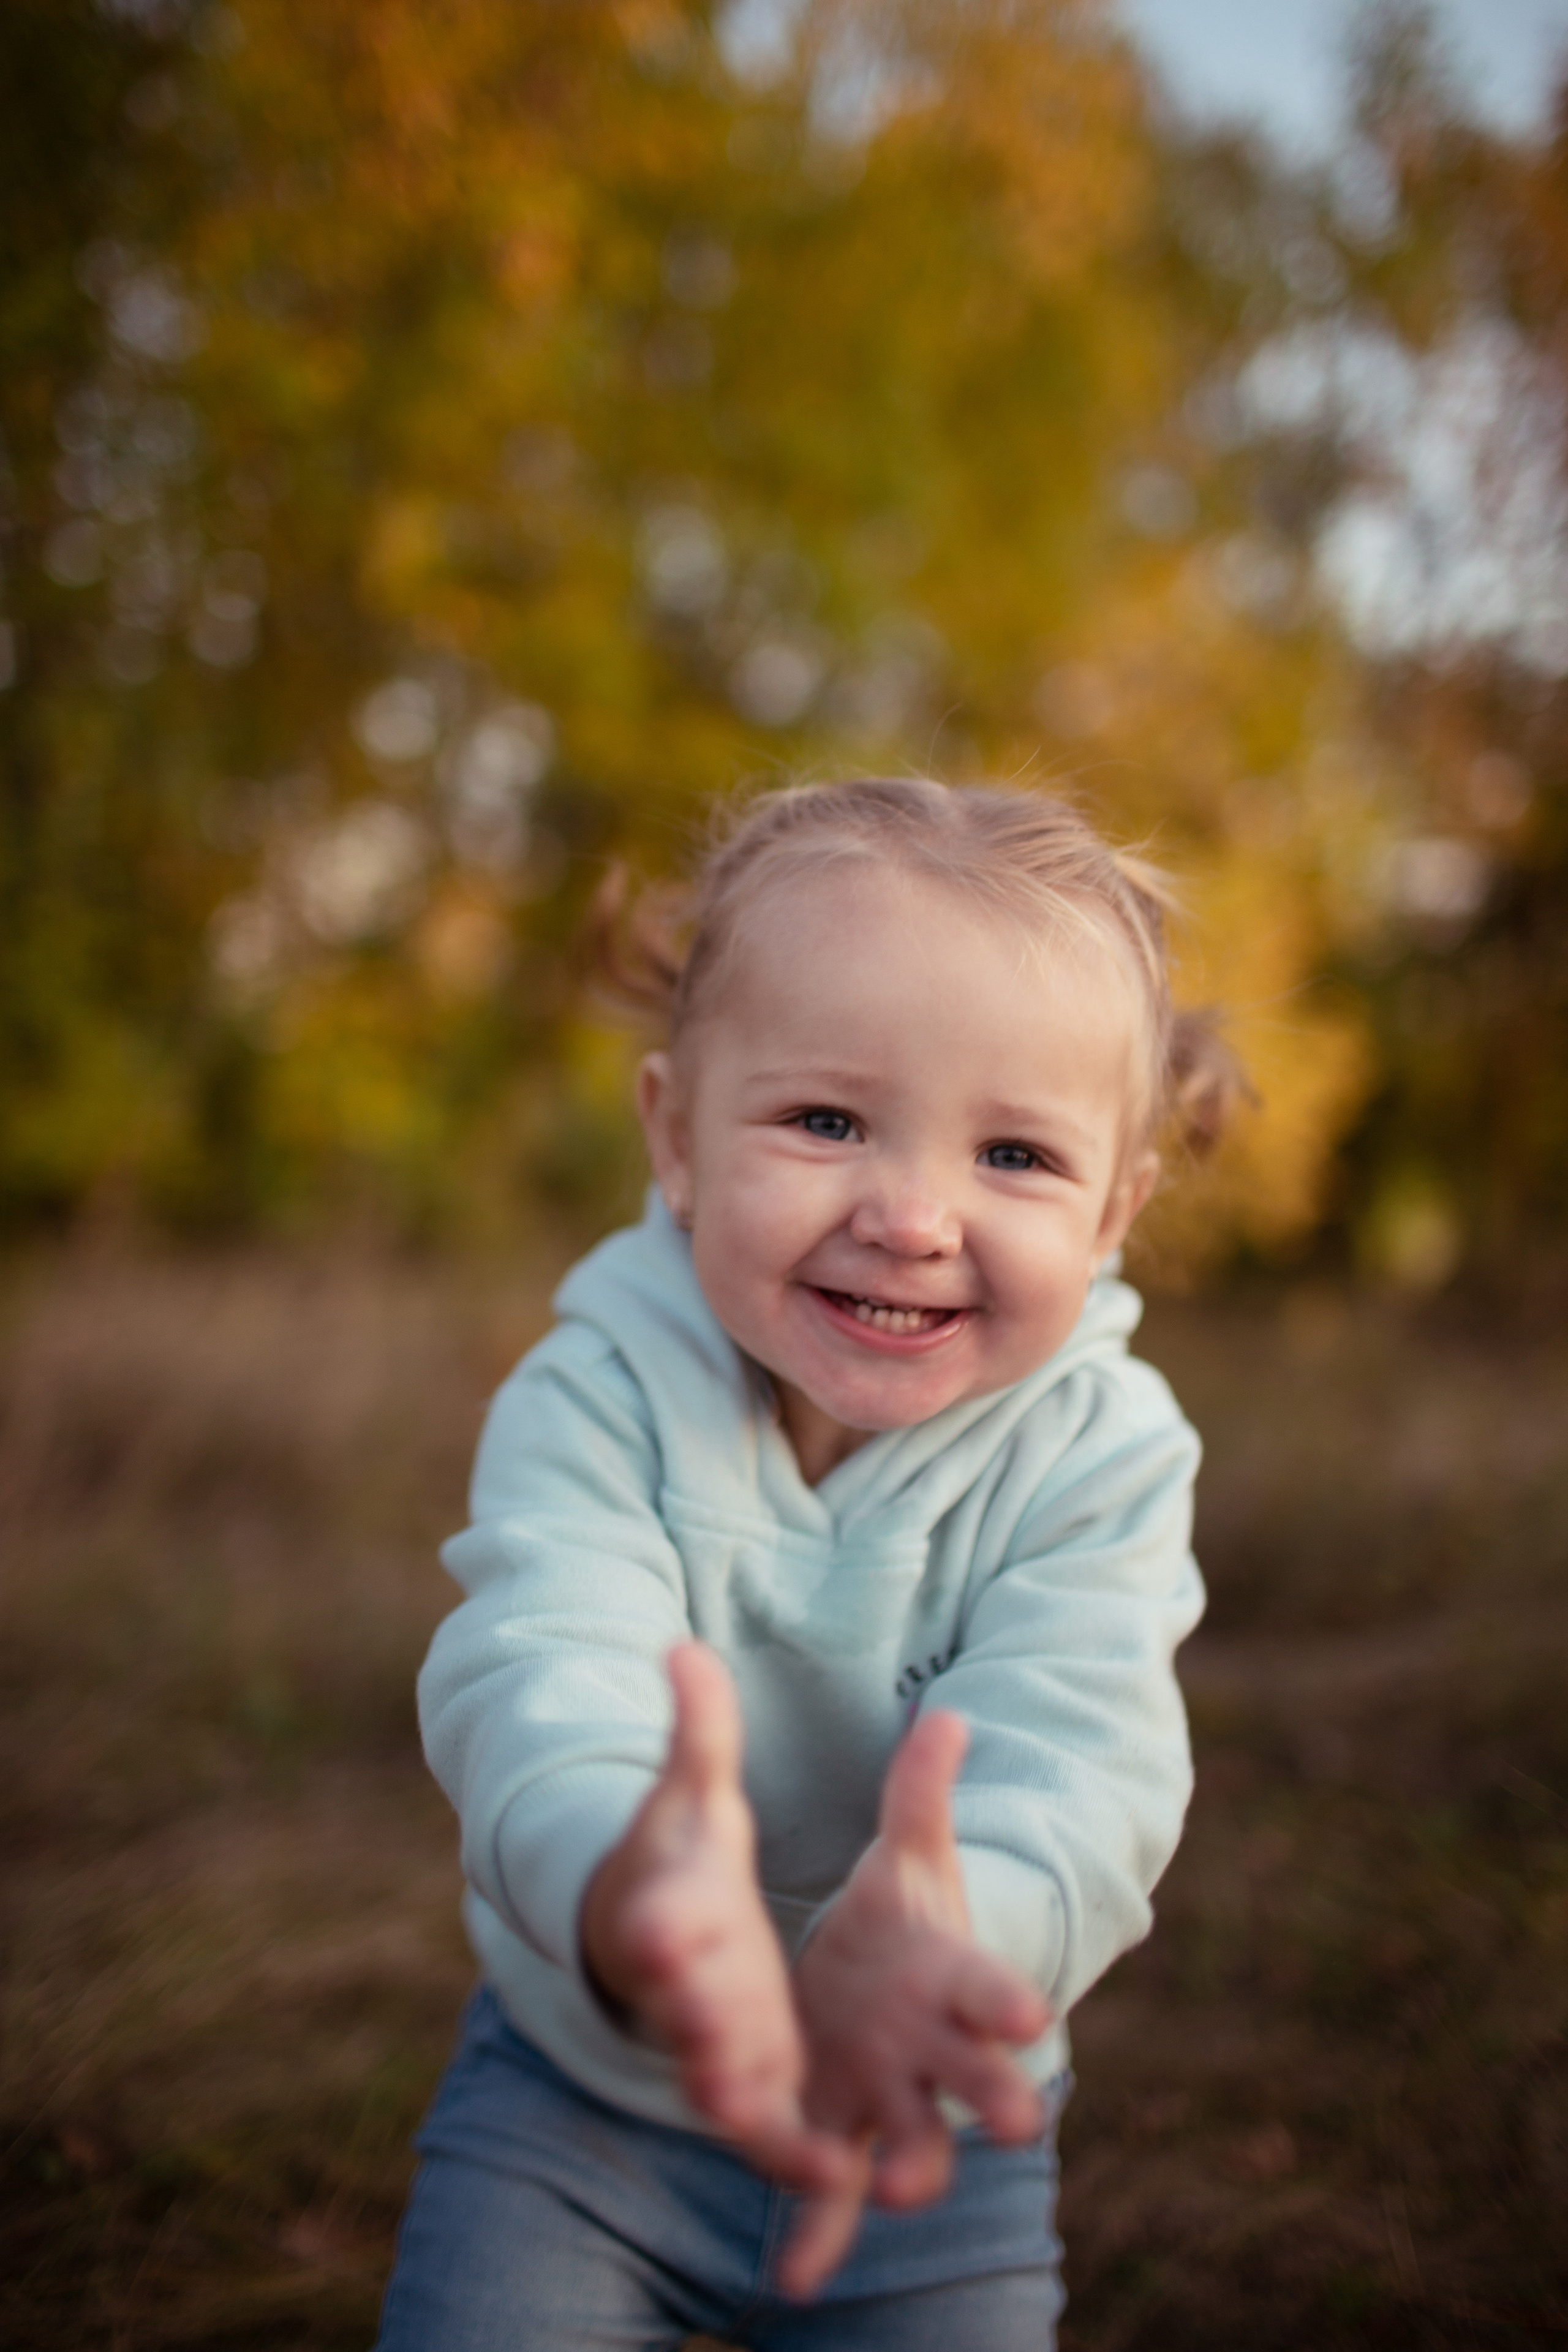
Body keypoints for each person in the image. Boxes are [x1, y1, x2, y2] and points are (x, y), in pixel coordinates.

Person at [375, 777, 1242, 2351]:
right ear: (676, 1138)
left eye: (1013, 1155)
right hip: (585, 2094)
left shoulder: (1099, 1452)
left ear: (1115, 1209)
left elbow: (1088, 1753)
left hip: (927, 2129)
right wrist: (622, 1875)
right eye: (827, 1123)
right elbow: (541, 1661)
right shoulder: (601, 1392)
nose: (910, 1217)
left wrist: (960, 1930)